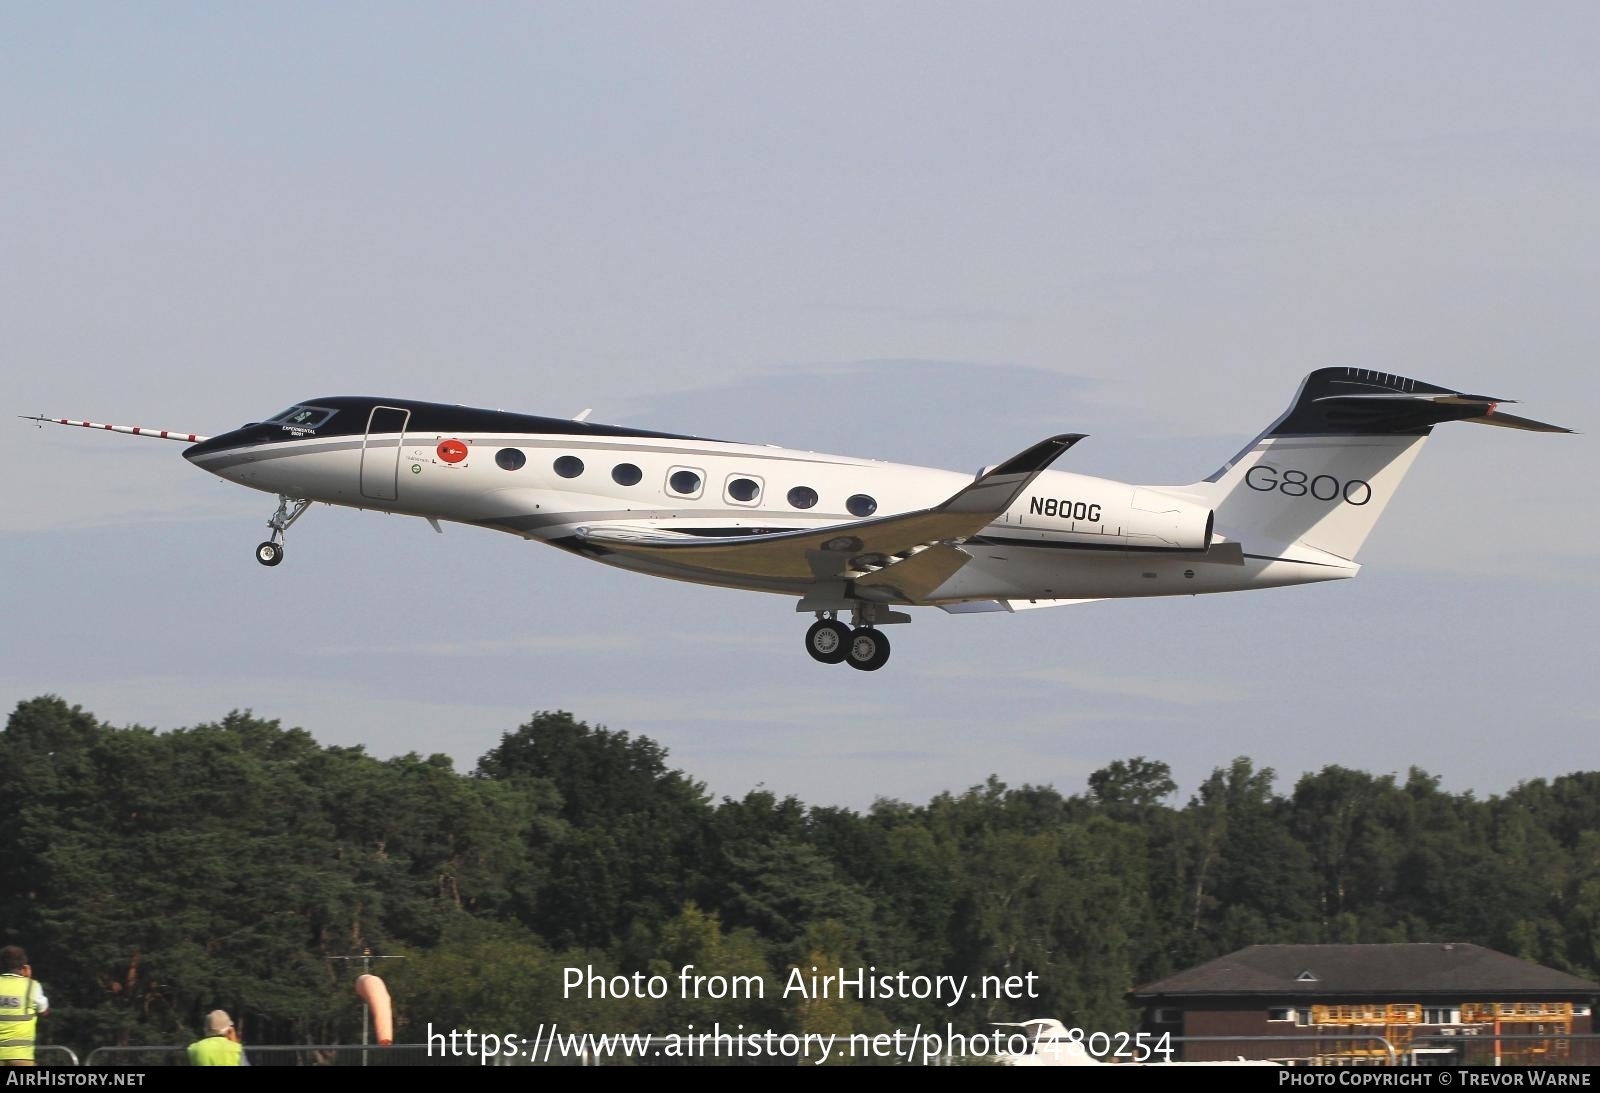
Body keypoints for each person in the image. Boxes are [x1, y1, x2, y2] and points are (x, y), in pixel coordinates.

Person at [0, 946, 49, 1067]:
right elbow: (44, 1012)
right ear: (24, 965)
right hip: (21, 1056)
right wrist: (28, 979)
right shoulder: (32, 986)